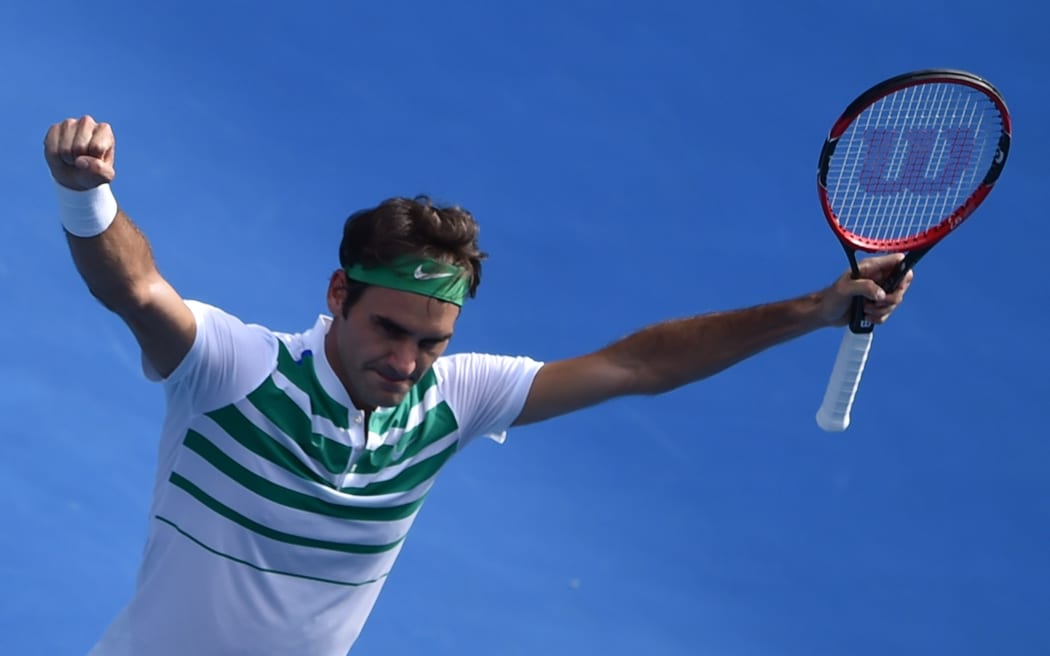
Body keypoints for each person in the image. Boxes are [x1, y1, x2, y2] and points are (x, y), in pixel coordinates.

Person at [45, 115, 912, 656]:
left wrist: (812, 309)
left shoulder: (453, 401)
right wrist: (88, 197)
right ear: (338, 295)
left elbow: (643, 364)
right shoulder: (234, 370)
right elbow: (135, 288)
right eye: (390, 329)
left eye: (433, 341)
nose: (408, 362)